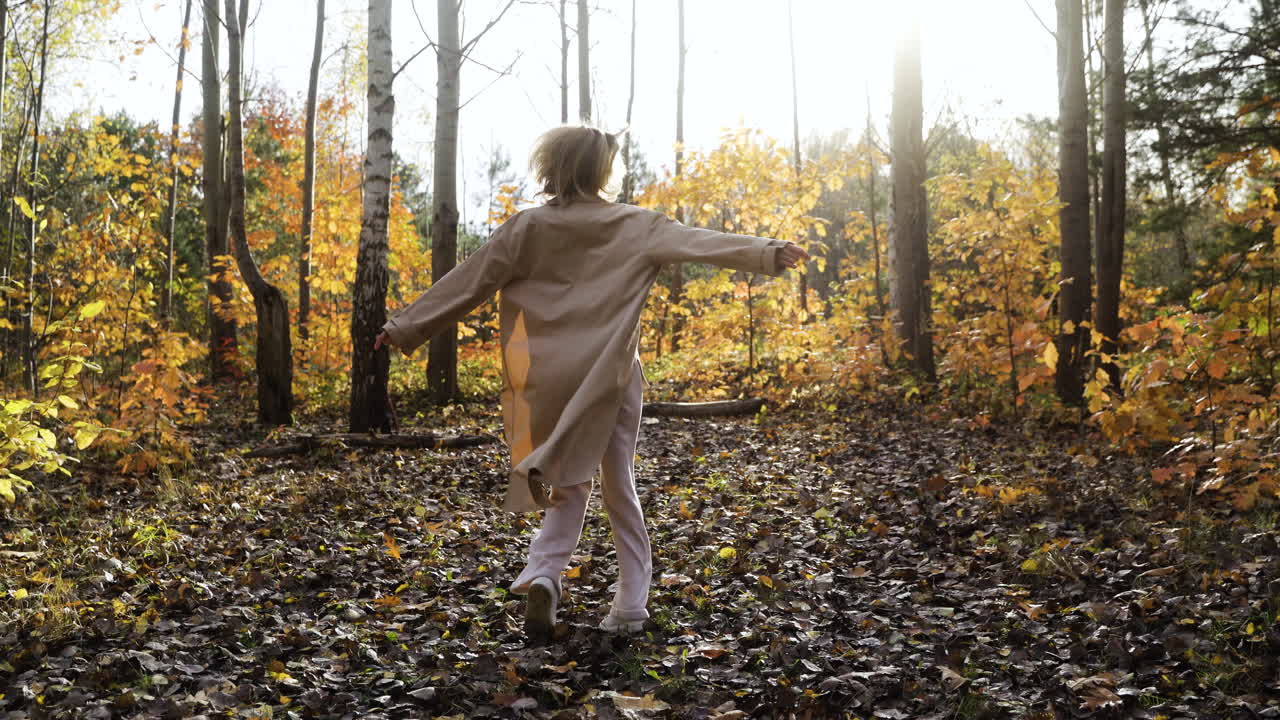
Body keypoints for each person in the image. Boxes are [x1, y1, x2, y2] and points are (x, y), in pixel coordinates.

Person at [374, 125, 809, 643]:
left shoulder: (526, 227)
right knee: (616, 482)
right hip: (612, 375)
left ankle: (544, 574)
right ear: (604, 169)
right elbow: (700, 242)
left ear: (552, 166)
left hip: (549, 378)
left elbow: (468, 280)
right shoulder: (636, 225)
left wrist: (404, 327)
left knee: (568, 479)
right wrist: (766, 251)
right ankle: (630, 603)